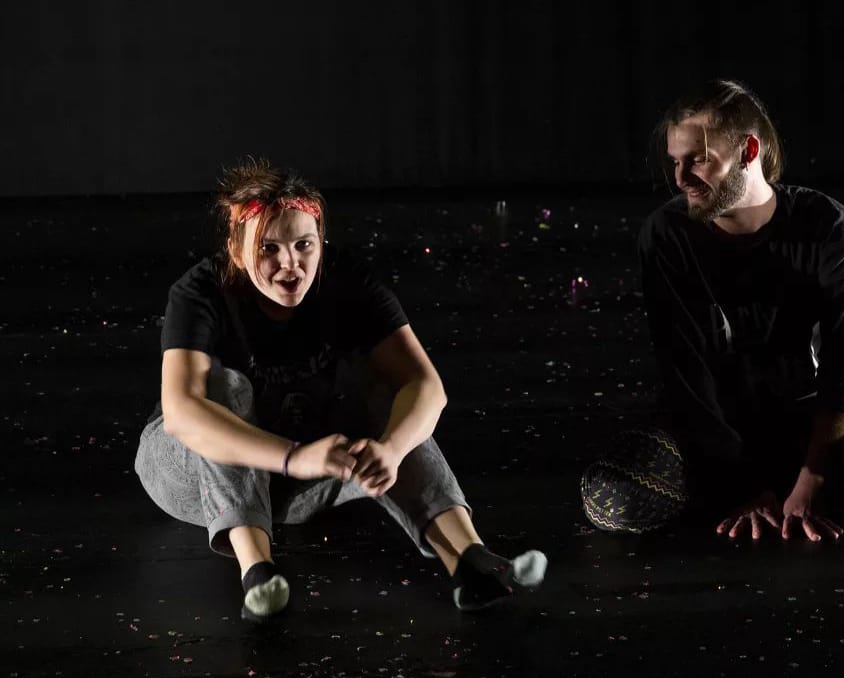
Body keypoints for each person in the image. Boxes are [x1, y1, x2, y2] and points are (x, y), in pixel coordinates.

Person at [135, 159, 546, 622]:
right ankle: (258, 574)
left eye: (303, 245)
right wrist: (294, 457)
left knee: (386, 389)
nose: (290, 264)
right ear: (236, 249)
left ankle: (470, 560)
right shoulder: (201, 291)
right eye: (269, 248)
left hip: (297, 478)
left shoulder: (348, 281)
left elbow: (426, 385)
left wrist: (392, 449)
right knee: (225, 386)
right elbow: (182, 414)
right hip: (187, 474)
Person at [581, 80, 844, 540]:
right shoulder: (668, 234)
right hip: (708, 432)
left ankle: (794, 494)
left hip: (807, 426)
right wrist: (742, 486)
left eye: (699, 160)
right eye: (675, 161)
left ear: (749, 151)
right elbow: (685, 376)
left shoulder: (828, 228)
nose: (681, 178)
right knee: (611, 500)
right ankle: (741, 495)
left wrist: (813, 477)